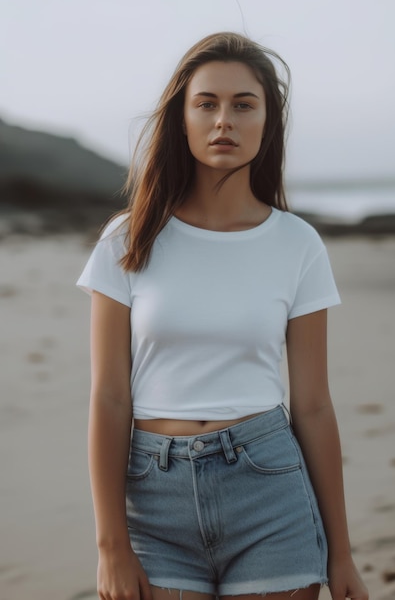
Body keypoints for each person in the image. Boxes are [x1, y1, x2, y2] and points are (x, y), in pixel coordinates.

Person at [77, 32, 368, 600]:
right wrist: (111, 544)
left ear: (268, 121)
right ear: (181, 119)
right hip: (153, 499)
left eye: (243, 104)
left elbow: (312, 404)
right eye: (206, 103)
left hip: (269, 491)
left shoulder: (298, 244)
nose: (223, 121)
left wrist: (342, 553)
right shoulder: (128, 239)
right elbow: (109, 397)